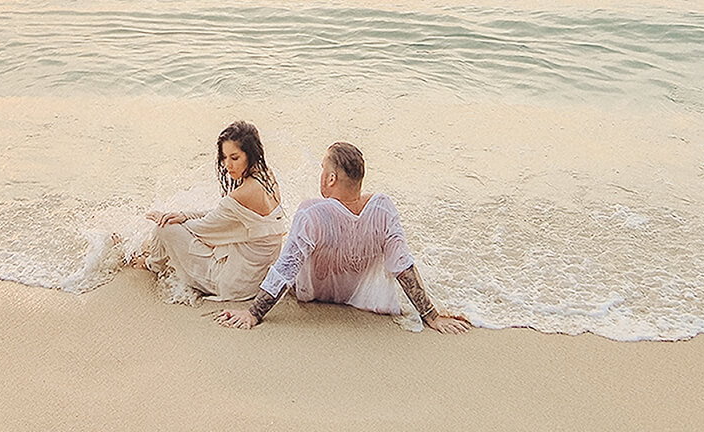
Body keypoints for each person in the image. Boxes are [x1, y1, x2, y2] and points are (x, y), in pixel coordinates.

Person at [216, 141, 469, 332]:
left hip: (312, 296)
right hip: (358, 299)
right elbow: (402, 265)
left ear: (331, 178)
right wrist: (431, 316)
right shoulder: (383, 207)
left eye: (323, 169)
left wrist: (253, 314)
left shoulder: (312, 212)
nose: (321, 174)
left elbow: (287, 267)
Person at [131, 120, 288, 302]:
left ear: (250, 154)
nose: (227, 165)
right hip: (258, 279)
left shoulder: (242, 194)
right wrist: (184, 215)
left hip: (234, 285)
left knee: (163, 227)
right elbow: (224, 215)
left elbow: (200, 230)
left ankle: (151, 264)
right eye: (224, 157)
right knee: (177, 223)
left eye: (234, 158)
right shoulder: (267, 177)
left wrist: (170, 218)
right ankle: (153, 256)